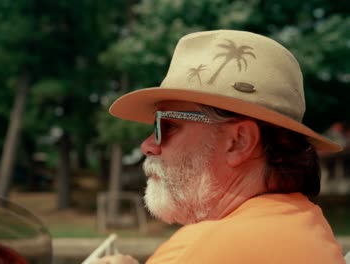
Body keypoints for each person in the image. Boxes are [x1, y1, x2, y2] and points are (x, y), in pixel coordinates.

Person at [94, 30, 346, 264]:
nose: (147, 145)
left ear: (238, 141)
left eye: (166, 125)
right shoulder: (308, 223)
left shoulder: (199, 251)